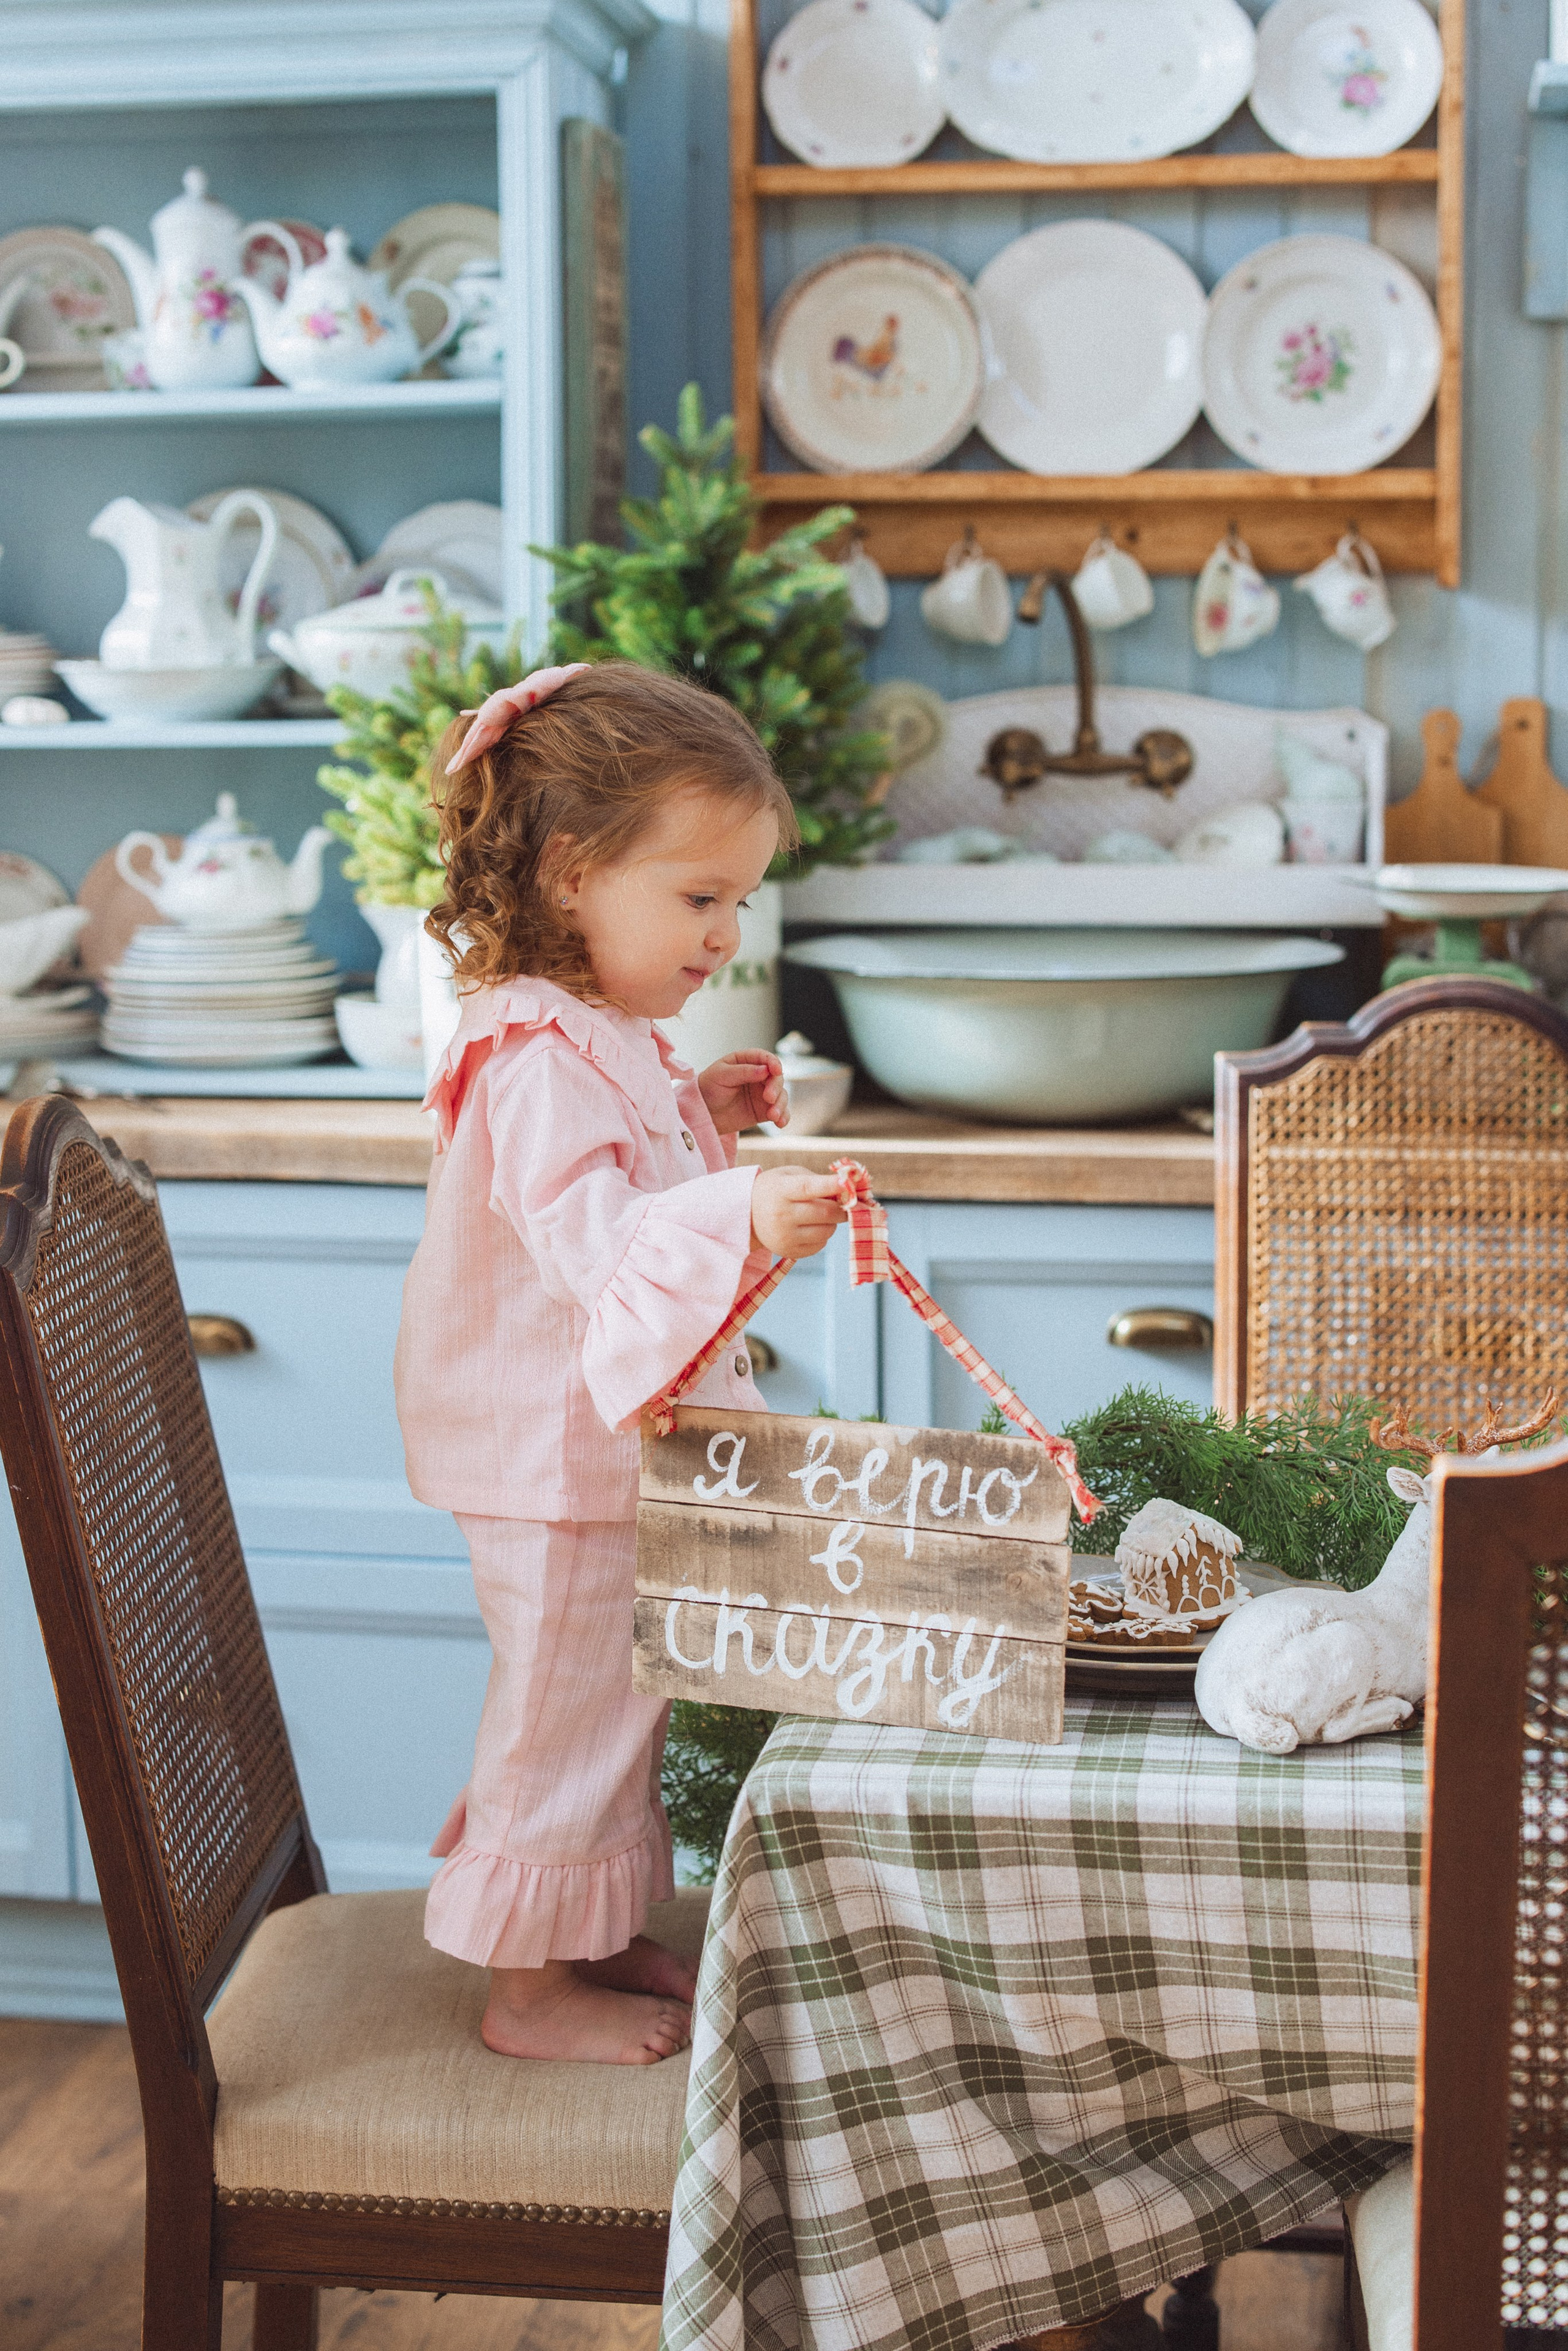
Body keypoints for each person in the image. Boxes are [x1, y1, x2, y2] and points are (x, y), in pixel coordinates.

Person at [394, 658, 846, 2064]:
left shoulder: (603, 1035)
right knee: (564, 1718)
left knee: (614, 1705)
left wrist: (703, 1120)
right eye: (699, 896)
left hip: (592, 1450)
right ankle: (524, 1992)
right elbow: (598, 1248)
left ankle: (582, 1933)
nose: (724, 933)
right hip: (551, 1459)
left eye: (738, 901)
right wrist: (738, 1206)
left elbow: (625, 1188)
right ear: (574, 872)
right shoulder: (535, 1052)